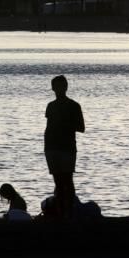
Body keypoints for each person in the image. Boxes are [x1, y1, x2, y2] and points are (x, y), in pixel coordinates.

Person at [44, 75, 85, 218]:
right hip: (52, 148)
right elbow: (48, 127)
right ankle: (61, 213)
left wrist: (64, 123)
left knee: (67, 180)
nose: (59, 89)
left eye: (62, 86)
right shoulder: (51, 106)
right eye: (56, 87)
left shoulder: (74, 106)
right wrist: (47, 147)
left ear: (66, 87)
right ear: (53, 88)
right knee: (58, 181)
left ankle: (70, 212)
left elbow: (81, 127)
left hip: (67, 148)